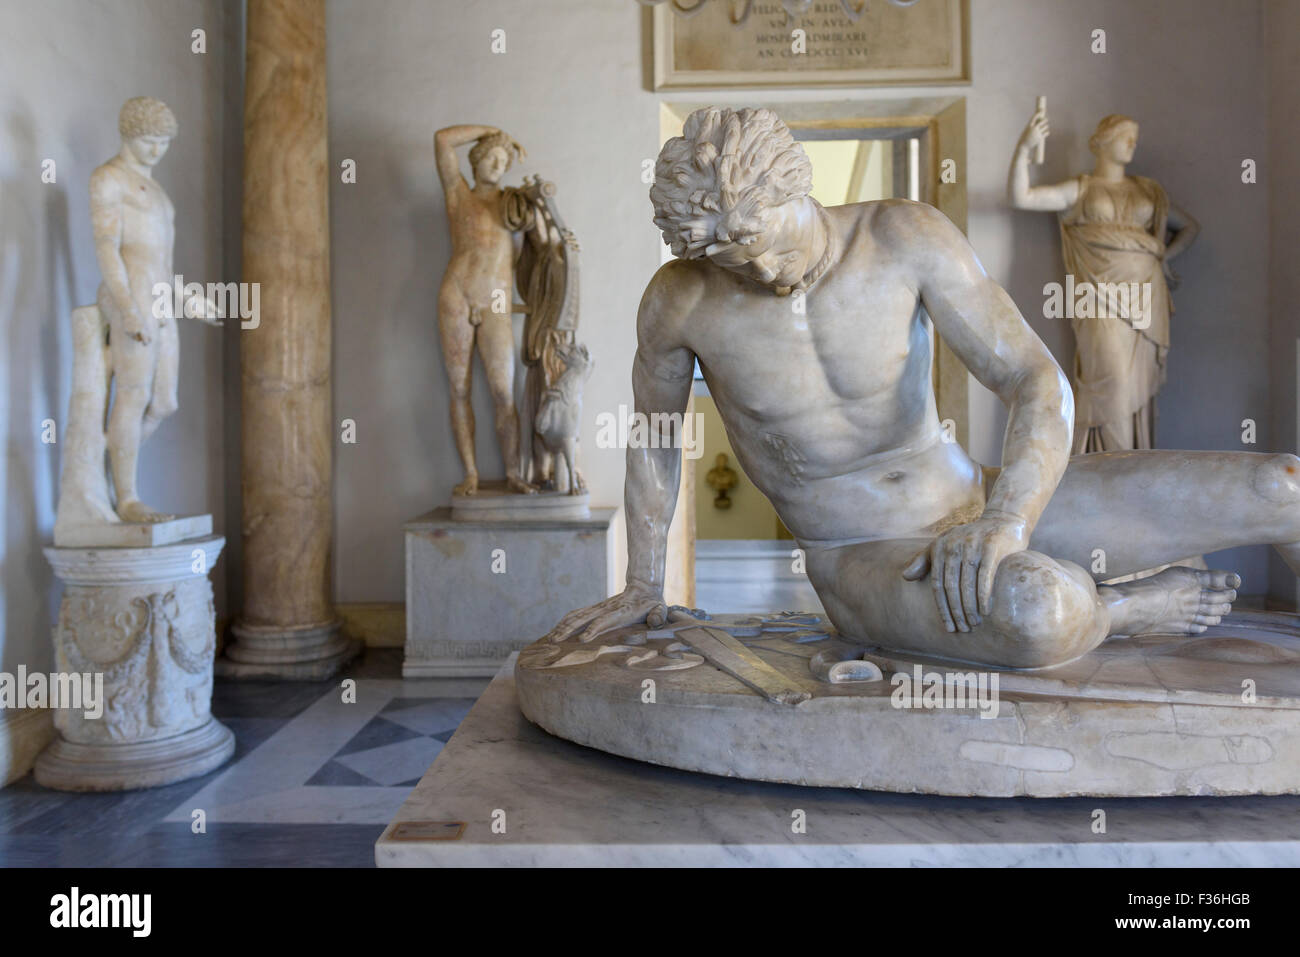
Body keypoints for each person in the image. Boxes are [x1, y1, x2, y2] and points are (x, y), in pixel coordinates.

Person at [543, 107, 1281, 670]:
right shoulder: (681, 300)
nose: (763, 273)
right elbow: (656, 440)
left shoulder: (903, 238)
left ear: (797, 187)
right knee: (1035, 608)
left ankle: (1043, 558)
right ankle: (1126, 609)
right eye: (736, 264)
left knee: (1279, 484)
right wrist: (644, 582)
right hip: (862, 553)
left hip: (983, 499)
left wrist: (1006, 519)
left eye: (769, 244)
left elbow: (1033, 378)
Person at [1009, 109, 1199, 452]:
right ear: (1103, 142)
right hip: (1098, 298)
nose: (1132, 145)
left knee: (1137, 388)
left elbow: (1190, 227)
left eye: (1135, 140)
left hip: (1145, 296)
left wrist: (1161, 257)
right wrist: (1024, 149)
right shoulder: (1081, 190)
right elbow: (1022, 197)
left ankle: (1131, 466)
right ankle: (1107, 467)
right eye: (1126, 137)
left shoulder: (1148, 192)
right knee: (1112, 381)